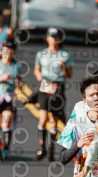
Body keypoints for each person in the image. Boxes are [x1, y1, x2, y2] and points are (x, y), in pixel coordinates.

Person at [33, 27, 73, 161]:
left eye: (56, 37)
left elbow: (69, 75)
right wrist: (40, 77)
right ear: (47, 38)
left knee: (54, 120)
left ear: (59, 39)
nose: (53, 40)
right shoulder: (41, 54)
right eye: (51, 37)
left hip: (58, 88)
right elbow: (37, 70)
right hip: (45, 87)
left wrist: (63, 67)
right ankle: (42, 147)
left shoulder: (65, 55)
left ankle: (51, 148)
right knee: (43, 118)